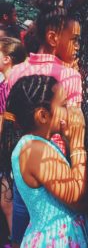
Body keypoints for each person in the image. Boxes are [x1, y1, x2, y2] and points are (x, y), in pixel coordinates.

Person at [7, 0, 83, 246]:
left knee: (23, 220)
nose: (78, 47)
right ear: (53, 37)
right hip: (62, 171)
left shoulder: (15, 72)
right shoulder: (69, 77)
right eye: (74, 40)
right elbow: (73, 123)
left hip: (22, 170)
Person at [2, 74, 88, 247]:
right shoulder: (34, 149)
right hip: (53, 240)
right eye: (63, 105)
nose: (69, 109)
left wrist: (67, 140)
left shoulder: (37, 145)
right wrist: (78, 142)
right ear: (43, 115)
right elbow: (76, 199)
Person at [0, 37, 26, 243]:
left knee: (11, 197)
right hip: (9, 145)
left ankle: (17, 240)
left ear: (7, 59)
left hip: (14, 144)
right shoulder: (6, 84)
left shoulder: (15, 84)